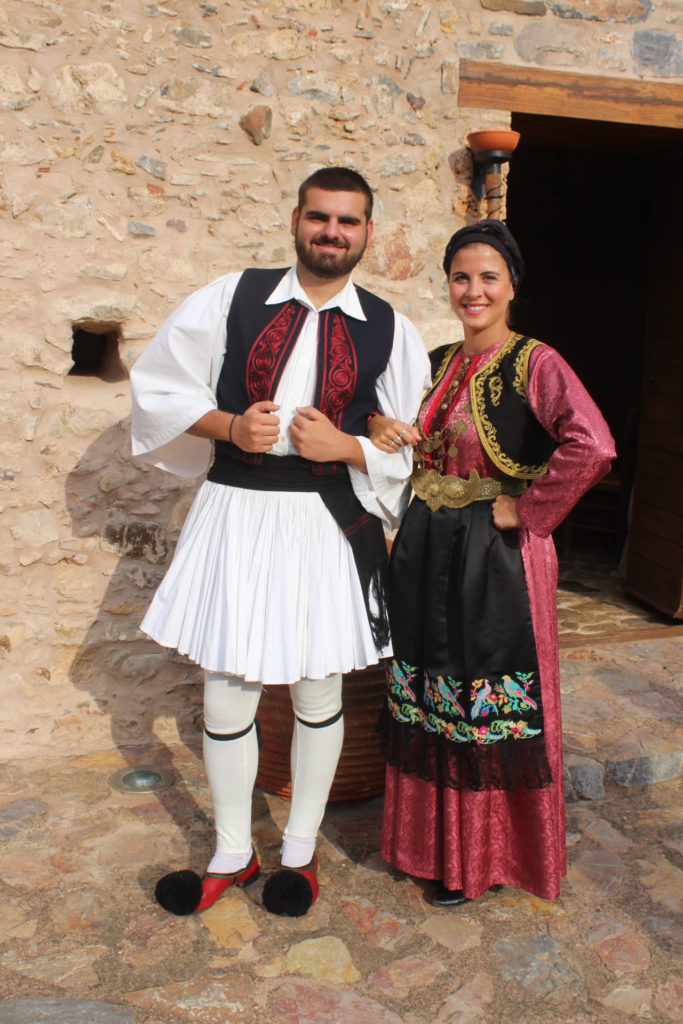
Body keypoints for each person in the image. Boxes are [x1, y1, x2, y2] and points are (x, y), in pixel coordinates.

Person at [130, 166, 430, 917]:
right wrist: (229, 427)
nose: (332, 232)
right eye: (320, 217)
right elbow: (159, 388)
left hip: (326, 523)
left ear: (367, 233)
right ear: (297, 219)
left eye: (348, 221)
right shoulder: (231, 296)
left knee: (316, 689)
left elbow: (412, 446)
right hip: (235, 511)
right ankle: (233, 851)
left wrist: (348, 446)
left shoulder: (391, 329)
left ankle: (299, 851)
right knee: (226, 689)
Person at [370, 219, 615, 906]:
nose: (472, 290)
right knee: (432, 695)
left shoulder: (535, 362)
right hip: (429, 548)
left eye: (487, 277)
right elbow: (424, 446)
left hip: (494, 554)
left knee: (484, 699)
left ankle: (476, 861)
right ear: (446, 284)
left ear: (511, 286)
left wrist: (529, 509)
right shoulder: (442, 361)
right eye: (459, 277)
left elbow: (591, 444)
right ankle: (428, 846)